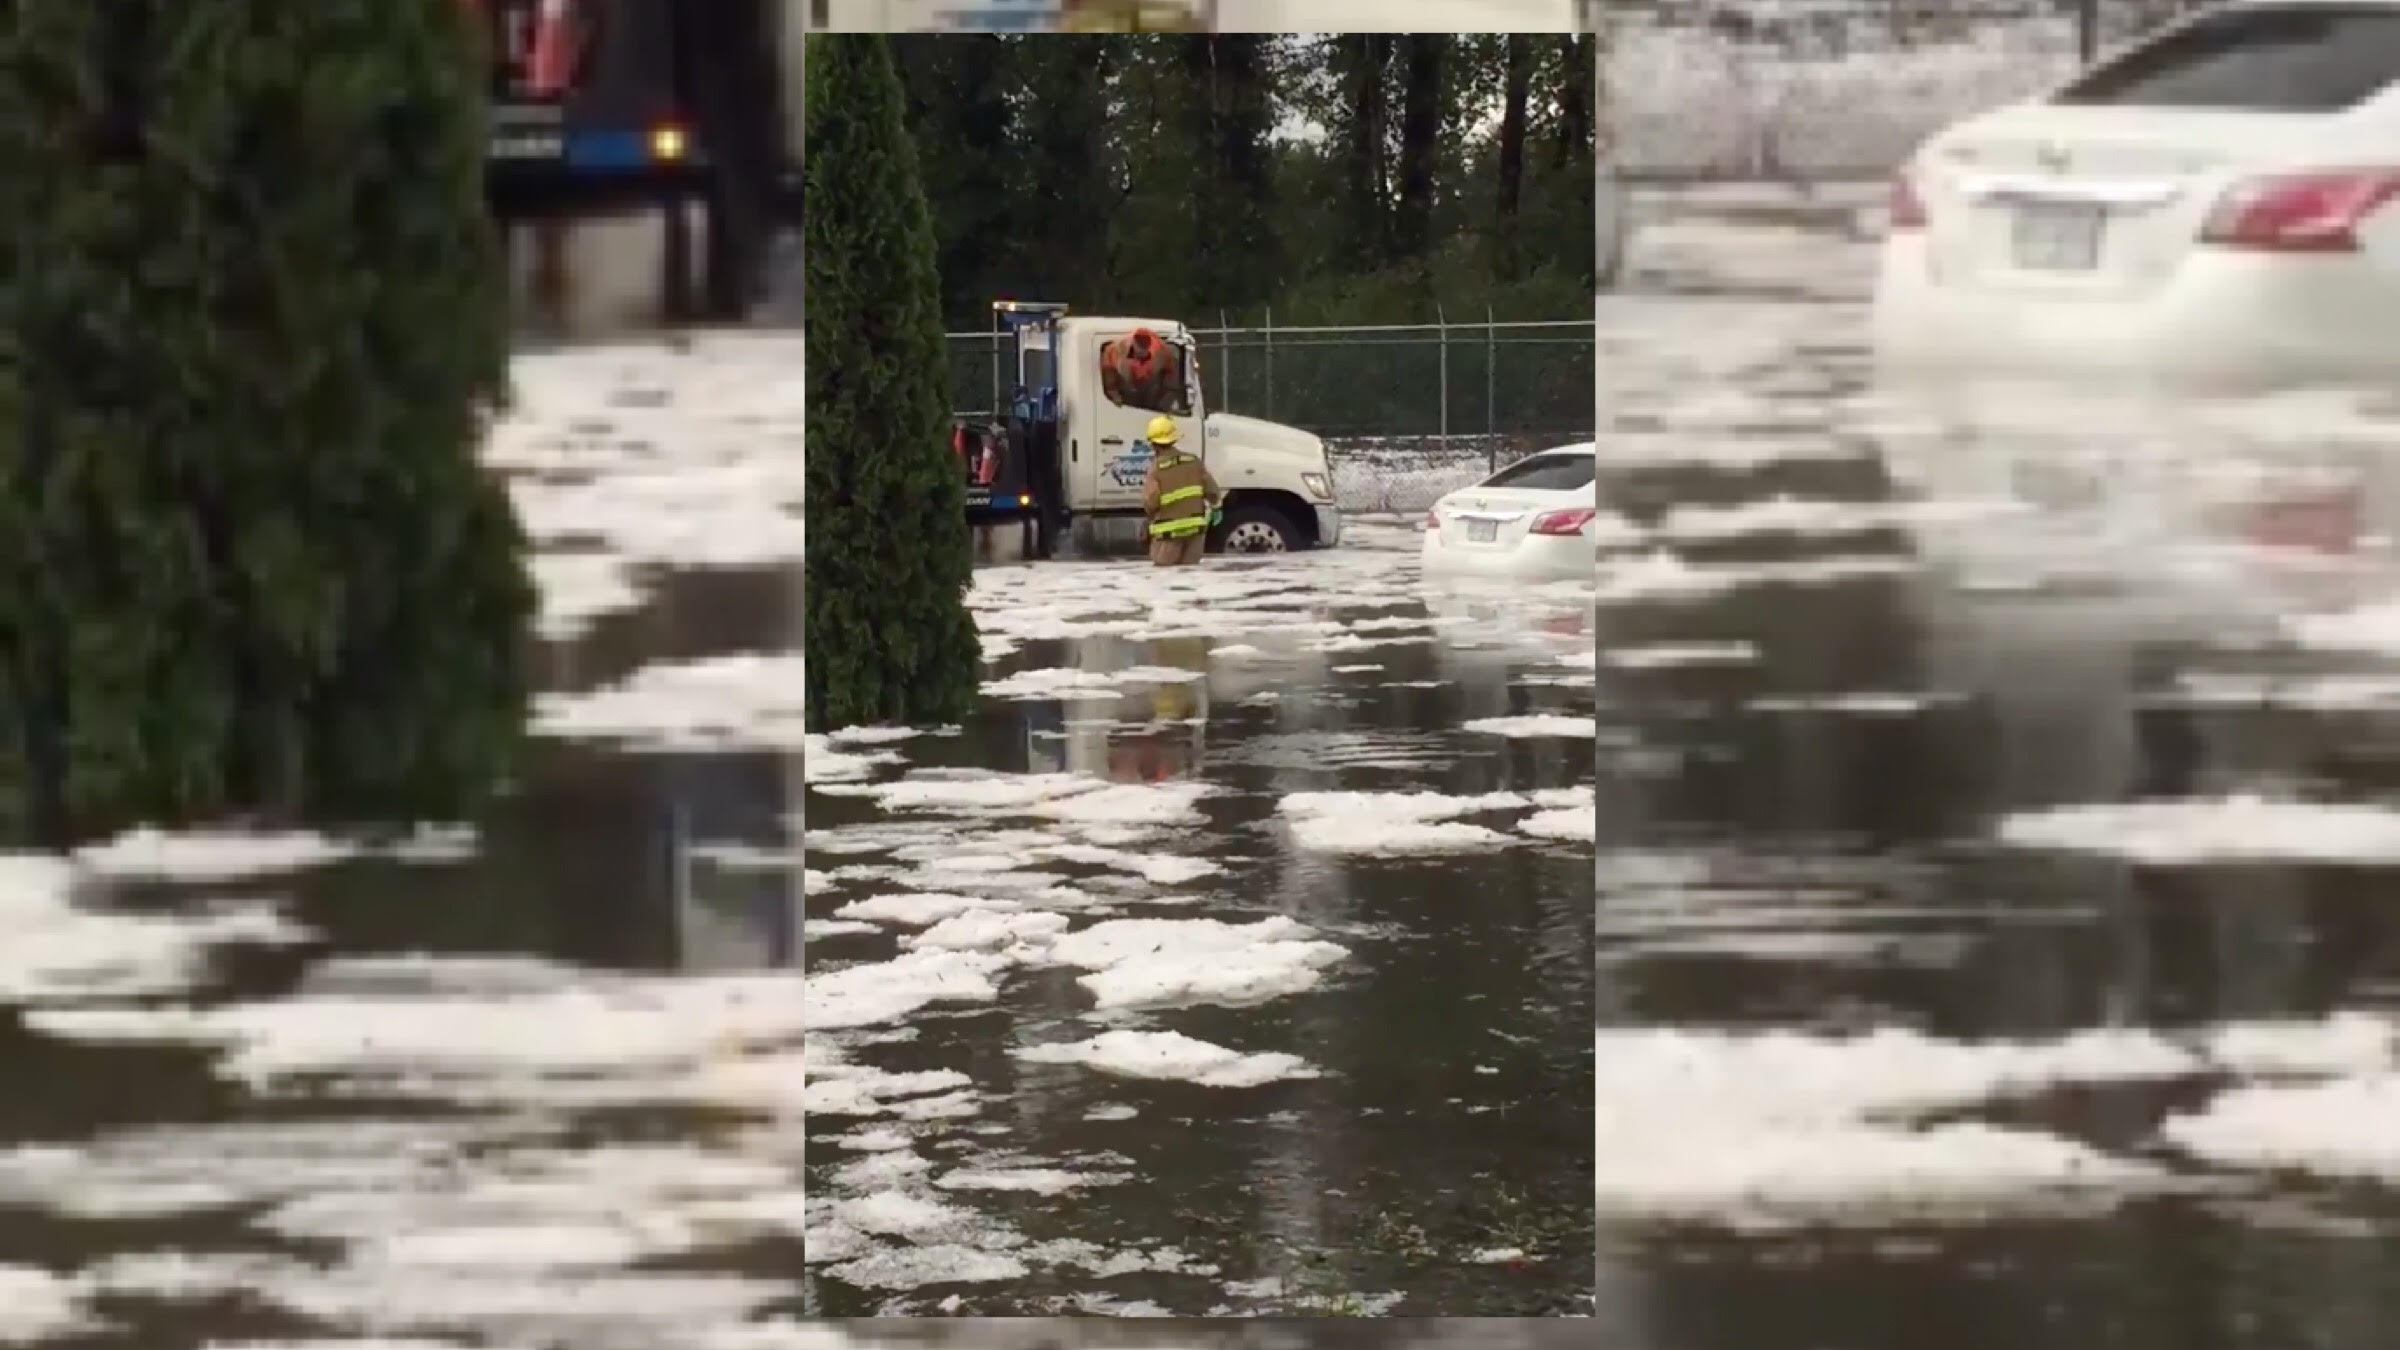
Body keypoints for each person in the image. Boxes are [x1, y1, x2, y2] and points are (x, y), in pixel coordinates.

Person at [1139, 415, 1219, 567]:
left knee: (1167, 581)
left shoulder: (1156, 469)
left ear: (1154, 444)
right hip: (1195, 532)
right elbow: (1213, 493)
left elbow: (1151, 502)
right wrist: (1215, 507)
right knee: (1191, 579)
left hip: (1168, 536)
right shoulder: (1193, 461)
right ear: (1174, 439)